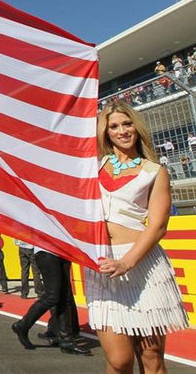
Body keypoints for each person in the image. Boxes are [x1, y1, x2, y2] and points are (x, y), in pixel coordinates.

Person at [86, 102, 188, 372]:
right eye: (114, 126)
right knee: (119, 361)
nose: (122, 131)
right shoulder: (91, 167)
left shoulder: (155, 171)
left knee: (152, 357)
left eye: (127, 124)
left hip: (143, 266)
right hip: (103, 265)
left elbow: (157, 226)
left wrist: (127, 263)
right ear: (105, 132)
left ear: (137, 127)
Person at [11, 249, 90, 356]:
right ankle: (22, 325)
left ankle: (66, 340)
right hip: (47, 251)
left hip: (63, 251)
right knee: (52, 296)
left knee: (65, 297)